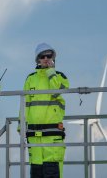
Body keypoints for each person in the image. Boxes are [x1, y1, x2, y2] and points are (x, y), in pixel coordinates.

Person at [21, 43, 69, 178]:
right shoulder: (30, 78)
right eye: (43, 56)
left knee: (52, 171)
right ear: (38, 59)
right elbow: (24, 104)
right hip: (34, 135)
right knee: (36, 172)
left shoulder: (60, 76)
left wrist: (51, 72)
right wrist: (21, 127)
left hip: (52, 134)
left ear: (53, 58)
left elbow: (56, 92)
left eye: (49, 56)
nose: (46, 59)